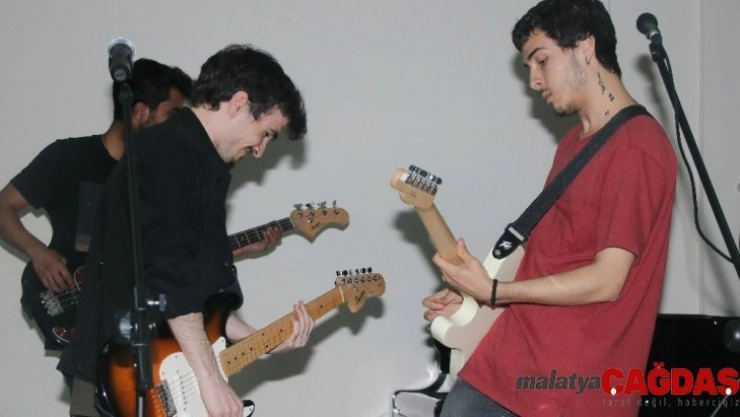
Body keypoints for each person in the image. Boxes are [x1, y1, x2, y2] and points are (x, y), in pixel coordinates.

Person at [422, 0, 677, 415]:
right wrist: (476, 301)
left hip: (564, 391)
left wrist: (494, 292)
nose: (534, 80)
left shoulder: (637, 147)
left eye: (541, 60)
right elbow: (550, 260)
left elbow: (607, 279)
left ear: (585, 47)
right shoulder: (573, 144)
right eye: (528, 67)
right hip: (504, 365)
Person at [57, 44, 314, 417]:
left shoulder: (203, 166)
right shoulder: (171, 154)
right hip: (119, 378)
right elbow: (171, 280)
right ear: (240, 103)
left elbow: (201, 300)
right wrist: (210, 380)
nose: (260, 150)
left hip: (156, 370)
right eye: (266, 133)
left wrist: (266, 341)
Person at [0, 58, 194, 350]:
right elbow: (3, 205)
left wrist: (236, 247)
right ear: (140, 112)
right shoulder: (68, 157)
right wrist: (38, 252)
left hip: (135, 328)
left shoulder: (160, 177)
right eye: (172, 115)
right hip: (80, 323)